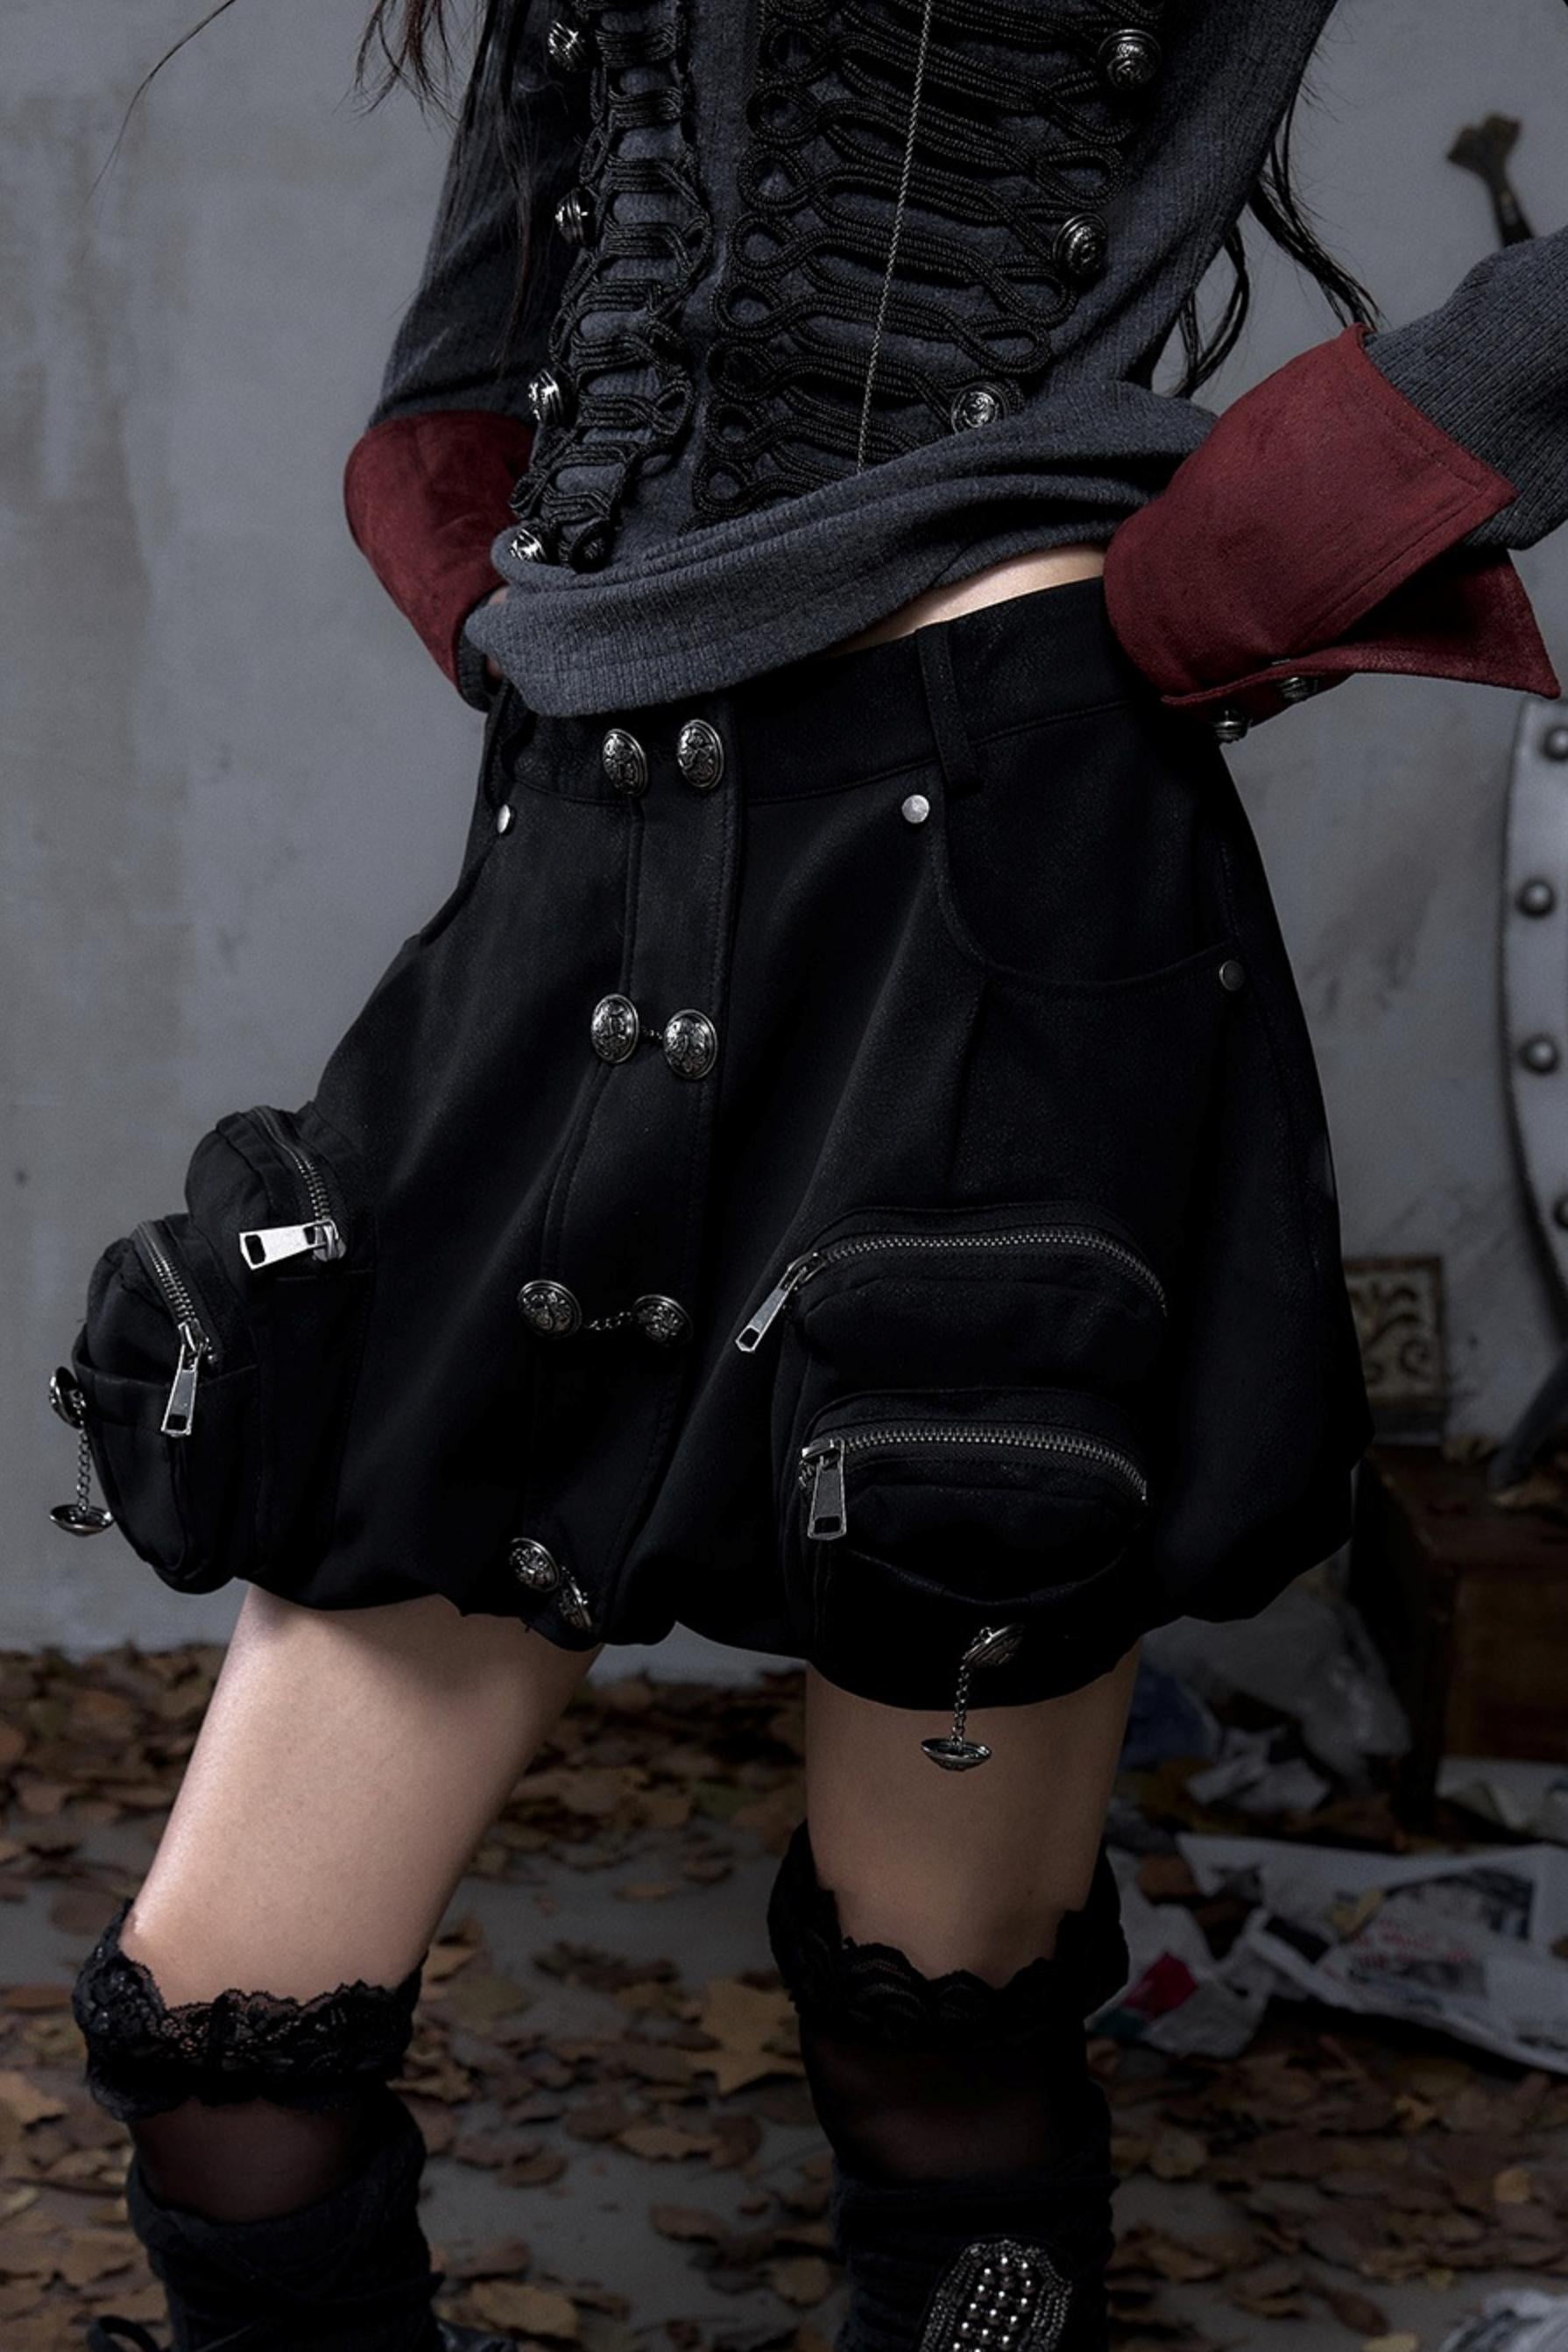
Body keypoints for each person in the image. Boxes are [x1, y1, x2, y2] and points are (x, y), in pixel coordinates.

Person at [62, 3, 1564, 2348]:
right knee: (222, 2033)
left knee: (935, 2024)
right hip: (590, 861)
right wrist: (533, 600)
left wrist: (1259, 543)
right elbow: (481, 338)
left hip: (990, 887)